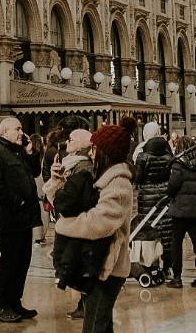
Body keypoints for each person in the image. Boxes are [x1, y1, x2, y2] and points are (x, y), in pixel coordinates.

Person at [52, 117, 137, 333]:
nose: (91, 153)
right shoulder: (104, 178)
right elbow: (70, 205)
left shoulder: (118, 182)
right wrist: (57, 184)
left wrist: (64, 225)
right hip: (98, 262)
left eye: (95, 149)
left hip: (110, 267)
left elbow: (99, 223)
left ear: (105, 153)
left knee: (94, 326)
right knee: (101, 325)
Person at [0, 117, 41, 323]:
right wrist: (17, 202)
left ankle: (15, 301)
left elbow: (35, 172)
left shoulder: (17, 151)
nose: (21, 133)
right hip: (8, 218)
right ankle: (3, 304)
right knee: (9, 261)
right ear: (4, 131)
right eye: (17, 129)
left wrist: (31, 152)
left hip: (23, 218)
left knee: (22, 260)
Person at [44, 128, 99, 322]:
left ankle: (86, 304)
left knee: (78, 262)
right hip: (71, 221)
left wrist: (57, 188)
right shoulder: (72, 163)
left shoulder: (82, 166)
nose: (67, 142)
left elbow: (70, 197)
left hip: (76, 222)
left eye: (71, 139)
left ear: (83, 144)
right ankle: (83, 304)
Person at [166, 138, 196, 289]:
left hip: (180, 211)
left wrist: (170, 194)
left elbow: (172, 186)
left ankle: (177, 277)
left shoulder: (178, 165)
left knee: (176, 243)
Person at [132, 125, 173, 278]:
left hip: (147, 197)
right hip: (164, 195)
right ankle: (168, 266)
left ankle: (150, 263)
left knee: (148, 230)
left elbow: (138, 179)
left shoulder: (140, 153)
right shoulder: (168, 152)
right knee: (166, 231)